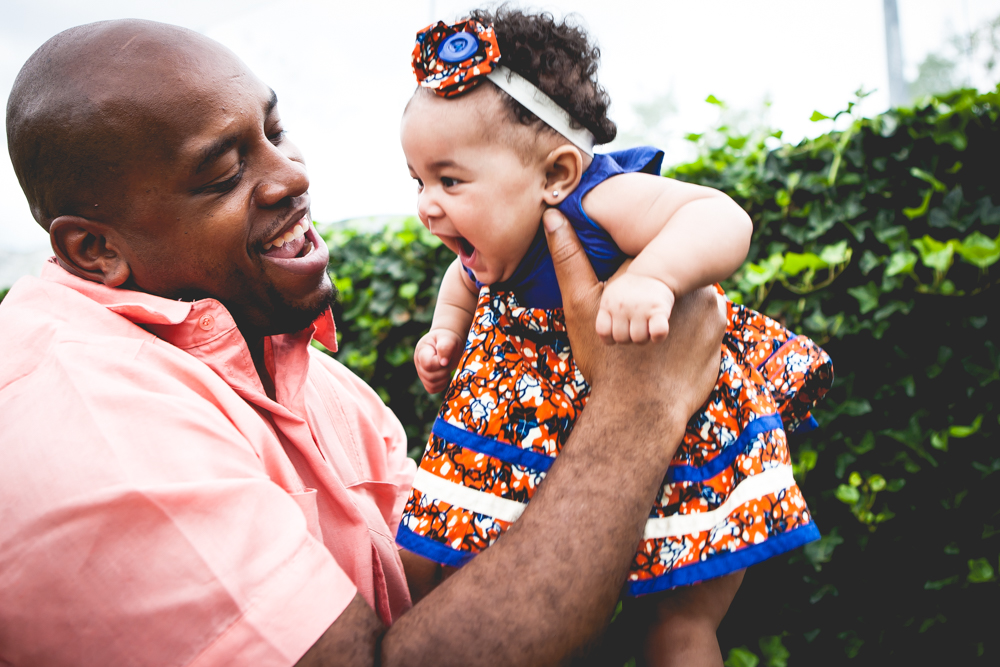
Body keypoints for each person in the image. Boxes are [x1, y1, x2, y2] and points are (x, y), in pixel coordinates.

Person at [0, 18, 729, 666]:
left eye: (275, 132)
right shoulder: (89, 420)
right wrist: (639, 405)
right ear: (95, 248)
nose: (292, 176)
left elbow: (465, 586)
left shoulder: (316, 379)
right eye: (224, 172)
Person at [402, 9, 834, 665]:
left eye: (450, 179)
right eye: (418, 180)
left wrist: (655, 276)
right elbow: (461, 281)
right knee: (433, 557)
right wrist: (445, 332)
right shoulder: (491, 244)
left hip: (678, 425)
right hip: (556, 436)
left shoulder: (598, 201)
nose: (427, 204)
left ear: (556, 173)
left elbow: (719, 216)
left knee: (677, 624)